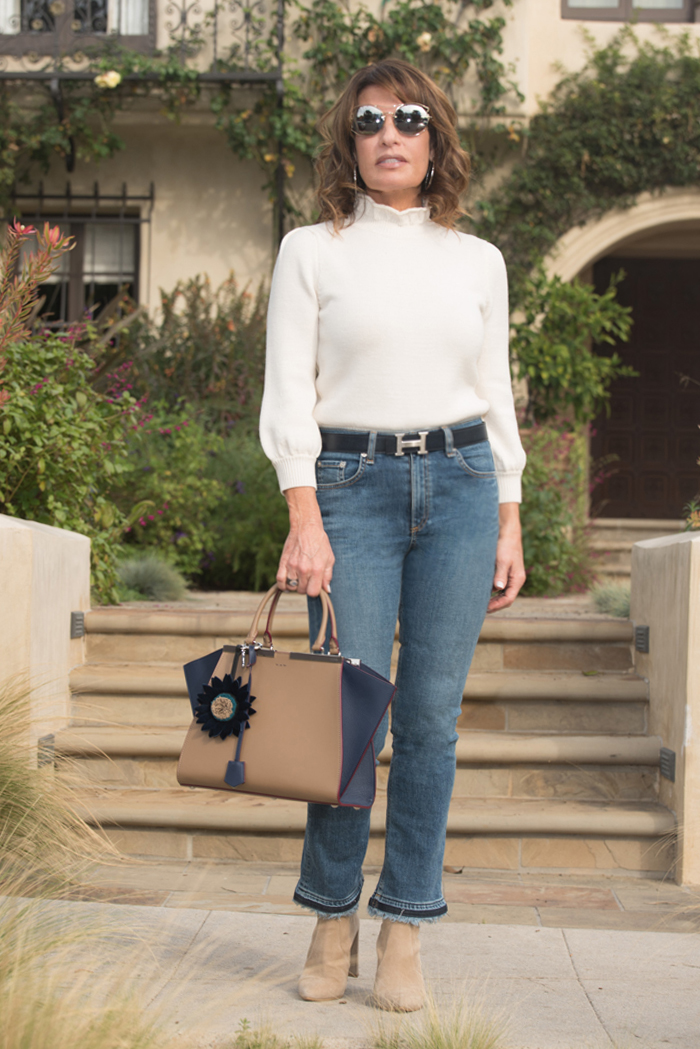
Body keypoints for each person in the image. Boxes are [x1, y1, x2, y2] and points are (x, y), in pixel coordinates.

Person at [259, 57, 526, 1013]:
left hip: (460, 485)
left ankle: (404, 924)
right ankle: (333, 913)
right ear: (350, 139)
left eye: (408, 118)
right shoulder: (312, 249)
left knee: (428, 723)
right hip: (351, 484)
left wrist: (509, 512)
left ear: (435, 135)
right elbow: (289, 389)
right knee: (348, 714)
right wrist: (303, 512)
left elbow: (495, 394)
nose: (389, 134)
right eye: (369, 120)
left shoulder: (479, 259)